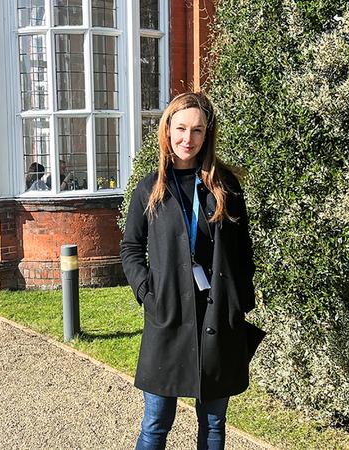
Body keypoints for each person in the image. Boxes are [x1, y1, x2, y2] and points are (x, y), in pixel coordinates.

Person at [120, 92, 265, 450]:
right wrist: (147, 293)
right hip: (167, 315)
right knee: (156, 424)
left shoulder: (226, 187)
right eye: (181, 128)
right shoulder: (150, 189)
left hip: (217, 319)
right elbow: (131, 248)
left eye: (197, 130)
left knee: (214, 424)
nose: (189, 139)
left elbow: (243, 251)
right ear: (167, 131)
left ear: (207, 134)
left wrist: (239, 303)